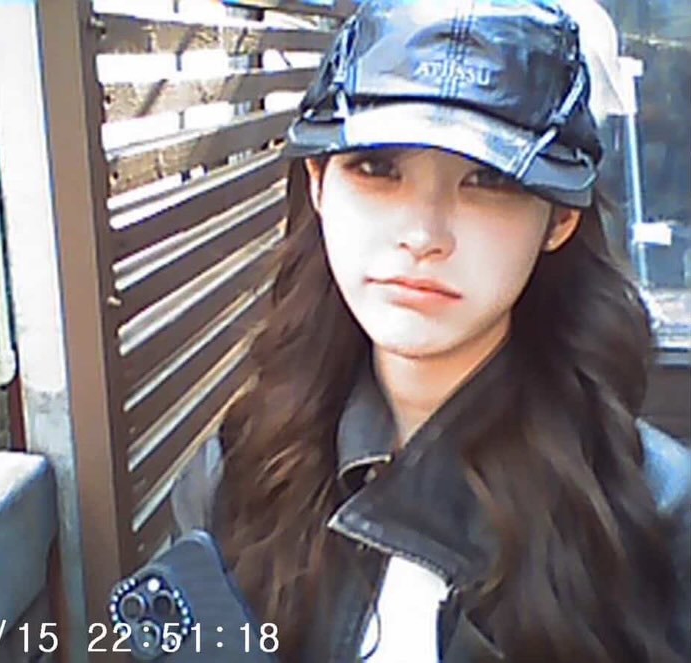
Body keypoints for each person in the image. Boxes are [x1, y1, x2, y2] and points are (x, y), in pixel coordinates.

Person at [169, 1, 691, 661]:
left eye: (490, 179)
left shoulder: (659, 516)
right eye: (378, 168)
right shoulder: (236, 476)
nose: (422, 235)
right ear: (319, 183)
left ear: (559, 218)